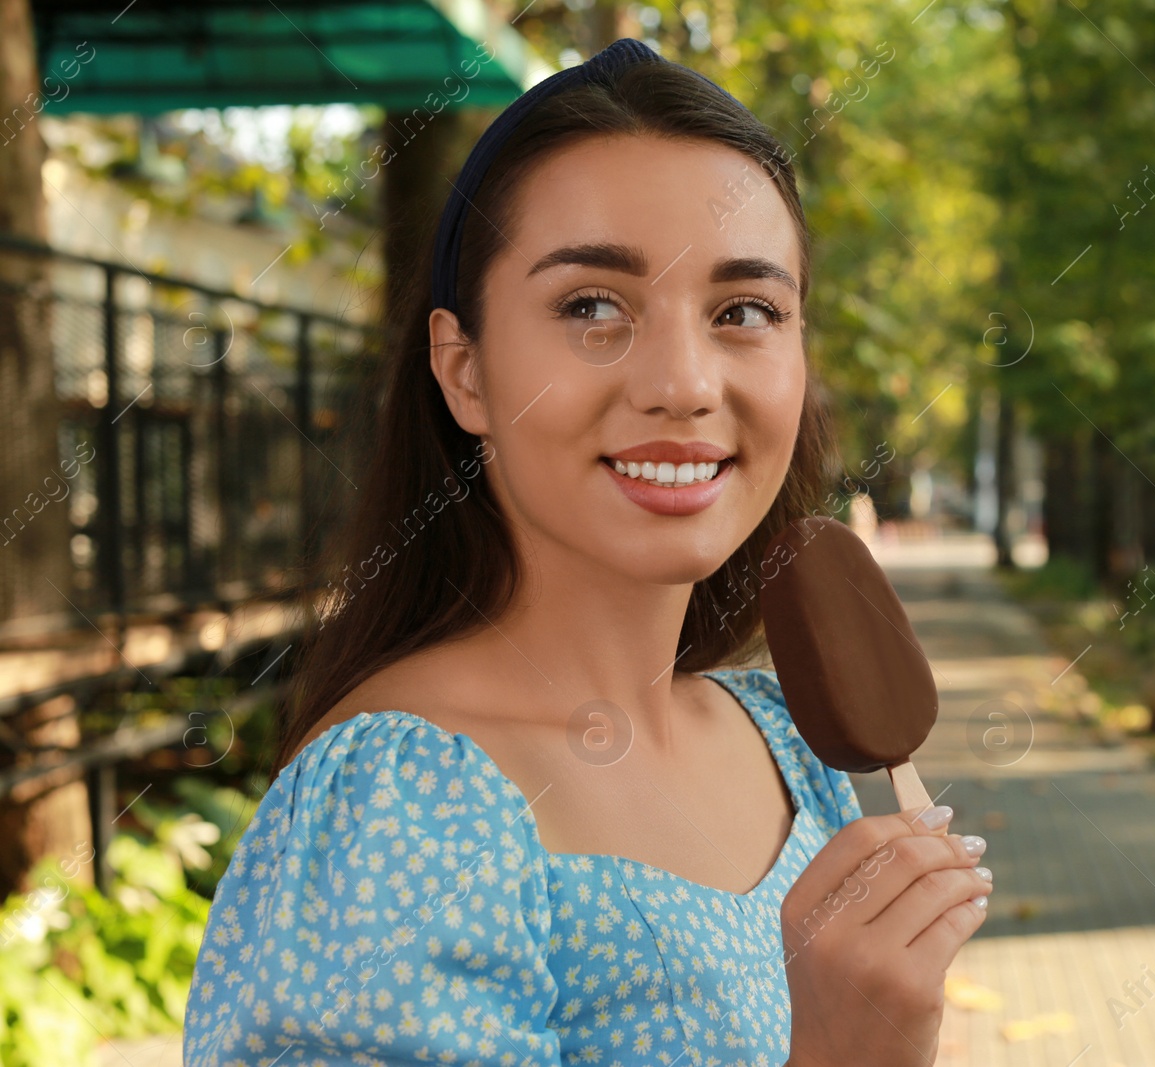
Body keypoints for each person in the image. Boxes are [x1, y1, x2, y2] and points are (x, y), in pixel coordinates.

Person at [182, 38, 991, 1067]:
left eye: (743, 311)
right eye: (592, 307)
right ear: (464, 370)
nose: (683, 382)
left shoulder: (794, 742)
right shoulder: (402, 804)